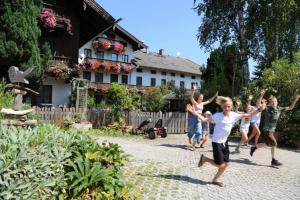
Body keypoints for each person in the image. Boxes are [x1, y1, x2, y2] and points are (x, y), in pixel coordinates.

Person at [187, 96, 261, 187]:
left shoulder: (234, 115)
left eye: (228, 106)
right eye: (225, 106)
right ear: (222, 106)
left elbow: (249, 115)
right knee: (221, 165)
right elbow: (205, 119)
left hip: (225, 142)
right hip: (217, 142)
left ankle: (215, 179)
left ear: (231, 107)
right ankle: (205, 159)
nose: (226, 108)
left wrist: (259, 109)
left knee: (226, 164)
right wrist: (194, 112)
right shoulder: (218, 115)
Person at [250, 94, 300, 166]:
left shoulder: (279, 109)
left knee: (267, 144)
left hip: (272, 130)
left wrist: (296, 99)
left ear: (277, 102)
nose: (274, 103)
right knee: (274, 143)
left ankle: (254, 147)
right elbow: (258, 105)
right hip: (267, 130)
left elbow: (290, 107)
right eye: (272, 102)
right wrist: (261, 95)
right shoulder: (267, 108)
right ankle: (273, 160)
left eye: (275, 101)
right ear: (270, 103)